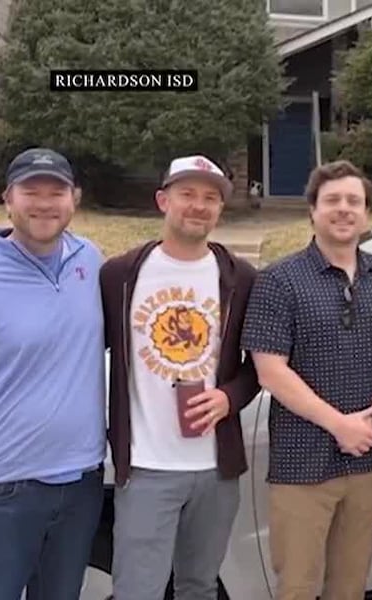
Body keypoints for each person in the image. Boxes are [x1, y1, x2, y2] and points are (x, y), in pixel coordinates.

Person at [241, 160, 372, 600]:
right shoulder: (278, 280)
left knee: (351, 586)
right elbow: (270, 370)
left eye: (354, 201)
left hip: (369, 458)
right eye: (332, 200)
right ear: (313, 210)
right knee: (297, 586)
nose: (344, 209)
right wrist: (339, 425)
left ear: (367, 213)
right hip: (302, 463)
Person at [99, 155, 260, 600]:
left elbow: (260, 365)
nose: (198, 206)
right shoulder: (120, 276)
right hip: (146, 467)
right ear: (162, 201)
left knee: (199, 587)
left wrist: (229, 397)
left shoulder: (241, 278)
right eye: (187, 194)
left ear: (220, 209)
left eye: (210, 198)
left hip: (216, 470)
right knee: (138, 590)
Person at [0, 148, 106, 598]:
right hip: (3, 493)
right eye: (31, 192)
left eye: (56, 192)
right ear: (7, 200)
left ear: (74, 199)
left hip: (82, 483)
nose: (44, 204)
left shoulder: (90, 261)